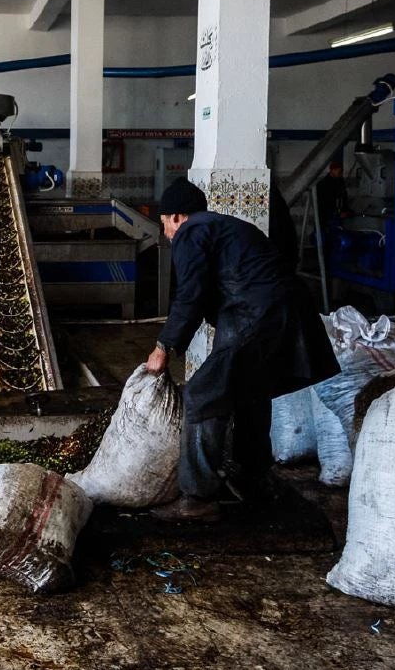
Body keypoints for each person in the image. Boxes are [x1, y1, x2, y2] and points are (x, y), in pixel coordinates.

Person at [145, 178, 340, 522]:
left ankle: (198, 499)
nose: (166, 235)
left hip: (256, 312)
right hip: (289, 310)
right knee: (251, 393)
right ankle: (254, 479)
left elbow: (190, 293)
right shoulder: (226, 227)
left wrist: (165, 345)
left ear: (176, 216)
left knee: (202, 395)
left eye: (164, 225)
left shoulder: (192, 232)